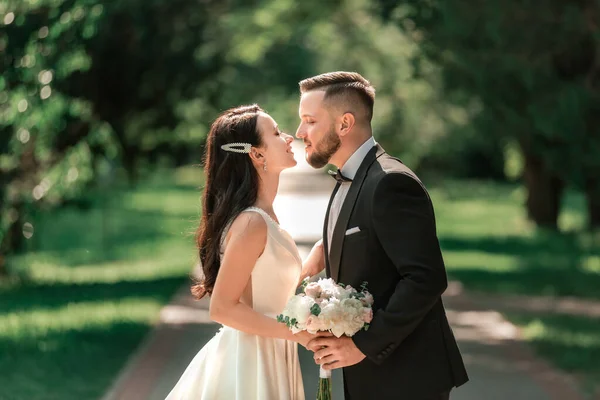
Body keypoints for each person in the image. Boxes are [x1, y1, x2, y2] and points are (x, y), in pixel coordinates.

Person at [296, 72, 469, 399]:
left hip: (406, 377)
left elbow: (426, 278)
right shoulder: (349, 178)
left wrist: (362, 346)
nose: (300, 132)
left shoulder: (391, 183)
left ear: (344, 124)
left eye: (309, 121)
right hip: (371, 377)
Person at [165, 104, 322, 400]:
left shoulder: (264, 216)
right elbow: (222, 308)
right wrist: (297, 333)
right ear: (257, 154)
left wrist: (309, 267)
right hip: (250, 362)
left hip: (271, 351)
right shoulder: (252, 222)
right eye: (276, 133)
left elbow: (265, 291)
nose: (289, 138)